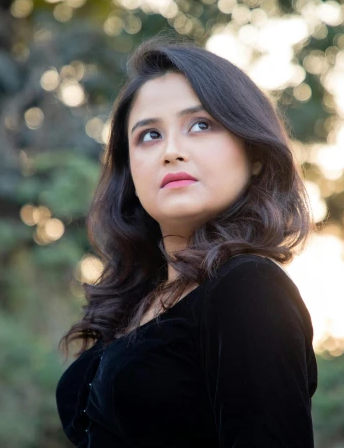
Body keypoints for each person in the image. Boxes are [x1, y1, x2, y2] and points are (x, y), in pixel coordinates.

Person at [55, 37, 318, 447]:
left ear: (255, 155)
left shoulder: (249, 288)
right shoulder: (137, 304)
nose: (171, 151)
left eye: (200, 125)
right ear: (130, 172)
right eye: (149, 136)